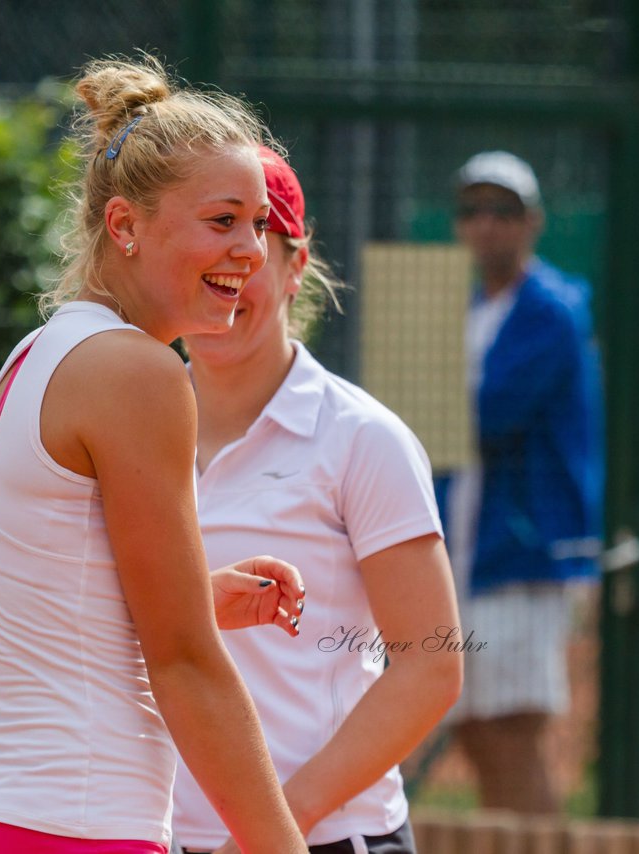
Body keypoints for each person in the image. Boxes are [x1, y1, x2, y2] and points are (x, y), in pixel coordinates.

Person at [0, 57, 310, 854]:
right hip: (70, 835)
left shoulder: (32, 358)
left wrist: (192, 600)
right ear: (125, 226)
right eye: (222, 220)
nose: (249, 250)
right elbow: (187, 666)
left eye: (260, 225)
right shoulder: (141, 372)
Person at [171, 147, 463, 854]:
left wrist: (270, 828)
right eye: (208, 259)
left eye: (252, 254)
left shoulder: (362, 439)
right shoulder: (123, 425)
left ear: (297, 266)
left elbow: (431, 666)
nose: (227, 282)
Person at [441, 150, 604, 814]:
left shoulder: (553, 310)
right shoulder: (467, 306)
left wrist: (414, 400)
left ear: (531, 222)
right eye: (473, 210)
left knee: (512, 734)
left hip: (522, 554)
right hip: (467, 551)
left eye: (502, 211)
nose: (486, 225)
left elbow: (489, 414)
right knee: (475, 730)